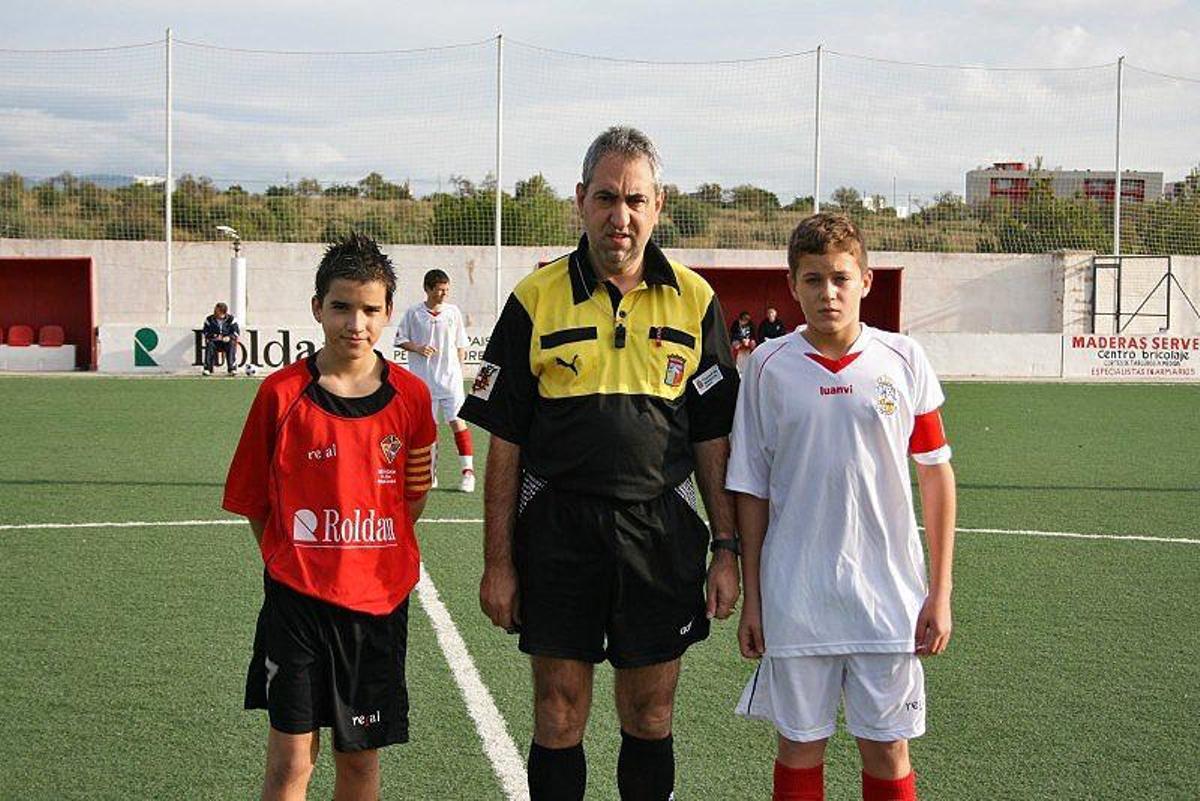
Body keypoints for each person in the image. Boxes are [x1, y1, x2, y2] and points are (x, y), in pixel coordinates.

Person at [460, 125, 741, 801]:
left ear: (658, 203)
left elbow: (711, 439)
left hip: (660, 531)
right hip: (559, 530)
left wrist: (726, 547)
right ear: (581, 199)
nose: (622, 216)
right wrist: (498, 561)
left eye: (636, 200)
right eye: (608, 197)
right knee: (558, 711)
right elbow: (505, 440)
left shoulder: (697, 301)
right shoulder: (534, 298)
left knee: (650, 713)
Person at [727, 212, 957, 801]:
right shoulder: (767, 368)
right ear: (792, 284)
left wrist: (940, 592)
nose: (827, 293)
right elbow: (749, 487)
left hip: (889, 598)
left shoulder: (903, 359)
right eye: (813, 280)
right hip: (796, 596)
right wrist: (755, 598)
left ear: (866, 281)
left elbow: (935, 478)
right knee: (799, 748)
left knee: (887, 748)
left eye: (839, 278)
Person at [222, 232, 437, 801]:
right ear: (317, 308)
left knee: (359, 763)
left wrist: (371, 552)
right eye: (341, 306)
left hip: (377, 607)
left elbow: (413, 498)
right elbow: (254, 502)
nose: (355, 323)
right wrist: (291, 560)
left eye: (370, 309)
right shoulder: (279, 394)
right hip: (297, 604)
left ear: (390, 312)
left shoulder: (412, 397)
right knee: (291, 762)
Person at [395, 269, 475, 492]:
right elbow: (400, 339)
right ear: (428, 289)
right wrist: (418, 348)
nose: (444, 294)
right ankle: (431, 473)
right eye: (440, 290)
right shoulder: (414, 313)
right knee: (429, 428)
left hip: (450, 382)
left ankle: (468, 473)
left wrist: (458, 371)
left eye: (447, 290)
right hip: (423, 383)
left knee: (458, 423)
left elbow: (461, 344)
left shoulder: (452, 312)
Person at [202, 302, 240, 375]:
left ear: (222, 312)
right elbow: (205, 331)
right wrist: (214, 336)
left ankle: (232, 369)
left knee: (231, 344)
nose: (215, 312)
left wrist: (229, 337)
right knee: (210, 344)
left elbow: (236, 332)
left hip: (226, 342)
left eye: (217, 310)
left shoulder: (231, 319)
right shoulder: (209, 319)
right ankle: (208, 369)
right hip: (215, 342)